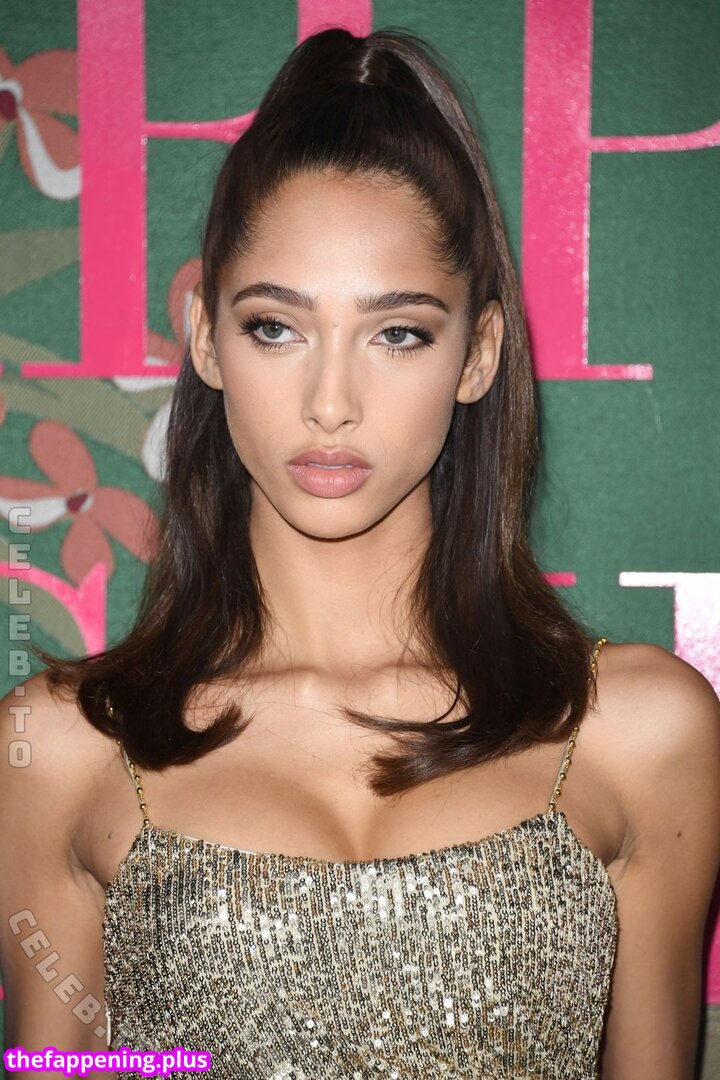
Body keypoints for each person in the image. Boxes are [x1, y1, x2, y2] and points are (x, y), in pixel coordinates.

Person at [1, 25, 719, 1080]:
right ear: (205, 340)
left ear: (477, 355)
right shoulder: (59, 750)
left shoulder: (640, 732)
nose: (330, 402)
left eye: (398, 333)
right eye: (275, 327)